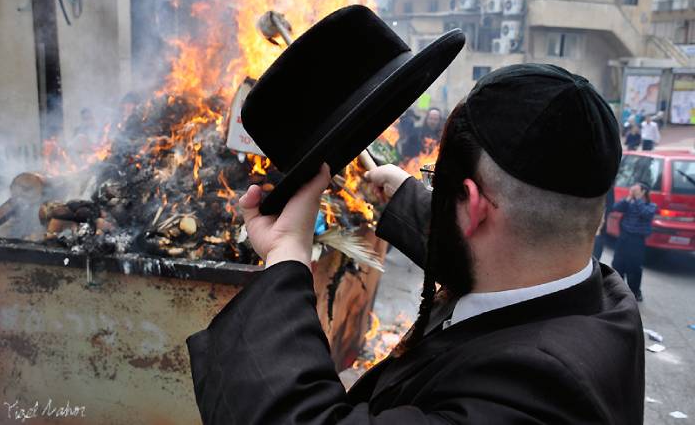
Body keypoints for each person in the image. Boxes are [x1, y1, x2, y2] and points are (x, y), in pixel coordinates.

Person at [187, 65, 644, 424]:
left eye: (437, 183)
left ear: (473, 205)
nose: (433, 193)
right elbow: (490, 246)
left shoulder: (537, 397)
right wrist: (406, 193)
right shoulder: (594, 293)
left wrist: (287, 251)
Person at [611, 182, 657, 301]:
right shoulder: (629, 203)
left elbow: (645, 213)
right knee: (617, 264)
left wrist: (637, 198)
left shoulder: (651, 206)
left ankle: (635, 292)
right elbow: (615, 207)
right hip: (624, 238)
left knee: (634, 268)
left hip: (637, 240)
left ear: (643, 192)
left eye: (636, 190)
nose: (633, 191)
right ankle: (617, 290)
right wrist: (629, 198)